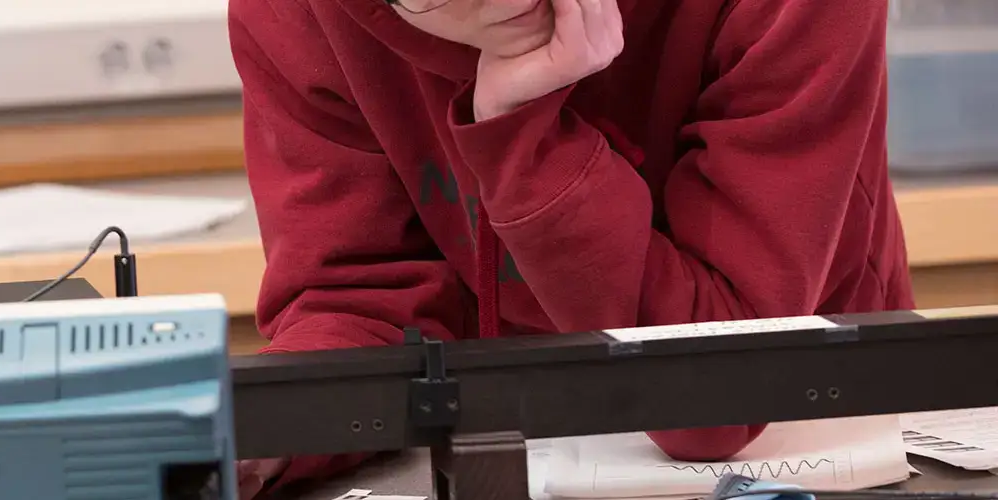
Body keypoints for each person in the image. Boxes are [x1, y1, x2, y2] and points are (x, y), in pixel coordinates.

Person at [229, 0, 908, 496]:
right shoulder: (293, 15)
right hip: (503, 455)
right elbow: (361, 302)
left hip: (823, 441)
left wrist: (522, 136)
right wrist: (250, 436)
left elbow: (716, 390)